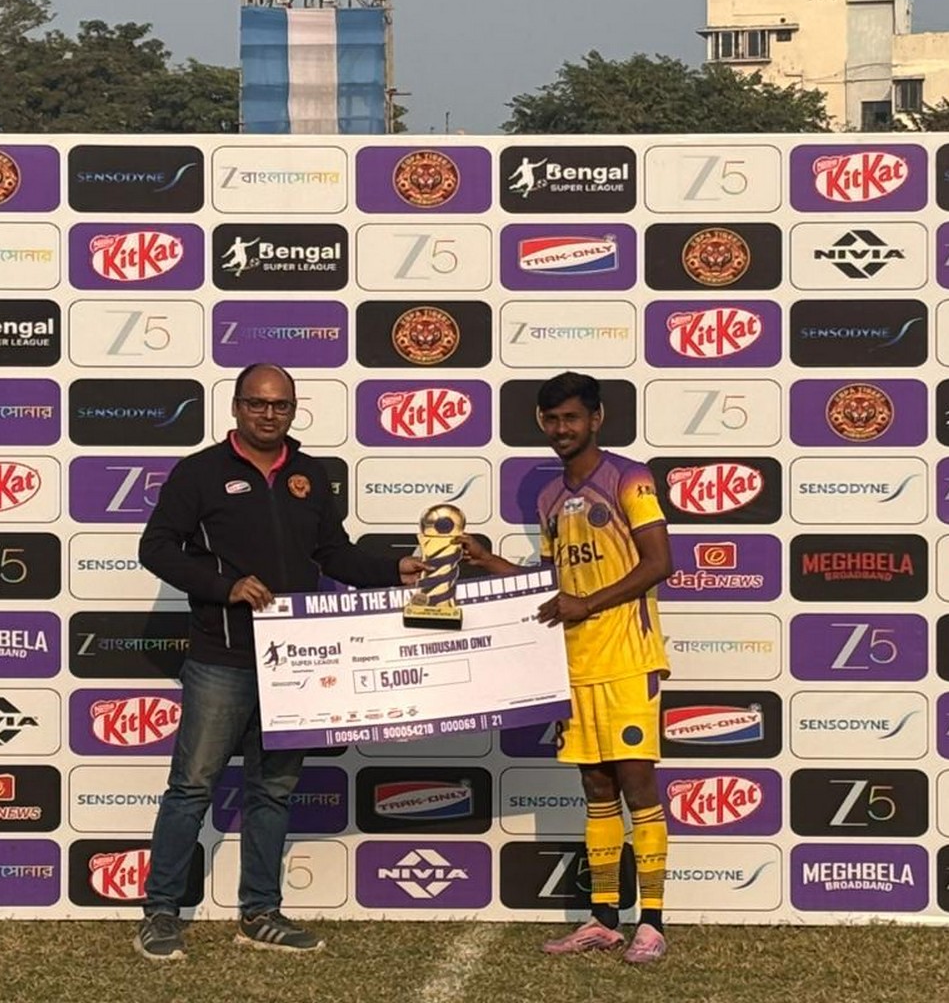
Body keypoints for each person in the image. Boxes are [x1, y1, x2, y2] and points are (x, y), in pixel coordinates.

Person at [133, 363, 424, 960]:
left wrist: (394, 570)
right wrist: (226, 585)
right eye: (258, 404)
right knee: (191, 787)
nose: (269, 414)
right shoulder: (201, 472)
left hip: (294, 663)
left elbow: (333, 552)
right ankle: (161, 913)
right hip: (223, 657)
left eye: (281, 405)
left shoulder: (309, 475)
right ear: (237, 407)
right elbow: (157, 547)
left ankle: (260, 912)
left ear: (294, 410)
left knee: (274, 790)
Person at [461, 371, 674, 964]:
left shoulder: (630, 479)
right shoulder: (549, 497)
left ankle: (651, 922)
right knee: (595, 788)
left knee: (637, 786)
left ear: (596, 419)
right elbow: (552, 585)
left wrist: (588, 604)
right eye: (551, 420)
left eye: (572, 418)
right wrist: (487, 562)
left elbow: (660, 562)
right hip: (575, 664)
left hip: (628, 660)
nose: (561, 430)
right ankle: (604, 917)